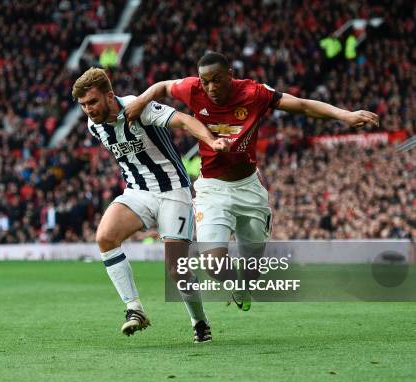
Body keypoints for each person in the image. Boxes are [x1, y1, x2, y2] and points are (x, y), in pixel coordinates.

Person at [125, 51, 379, 310]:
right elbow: (164, 86)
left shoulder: (254, 93)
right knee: (213, 264)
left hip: (249, 188)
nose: (211, 87)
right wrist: (141, 100)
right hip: (212, 189)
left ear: (230, 76)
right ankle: (235, 284)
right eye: (205, 81)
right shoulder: (192, 89)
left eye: (217, 80)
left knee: (252, 269)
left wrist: (344, 115)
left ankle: (245, 285)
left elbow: (301, 105)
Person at [72, 67, 228, 342]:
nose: (88, 109)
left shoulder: (139, 107)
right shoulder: (93, 125)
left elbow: (182, 120)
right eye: (83, 105)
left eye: (93, 102)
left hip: (173, 192)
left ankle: (199, 321)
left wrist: (211, 140)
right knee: (105, 238)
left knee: (176, 270)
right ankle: (134, 309)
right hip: (138, 192)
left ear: (110, 95)